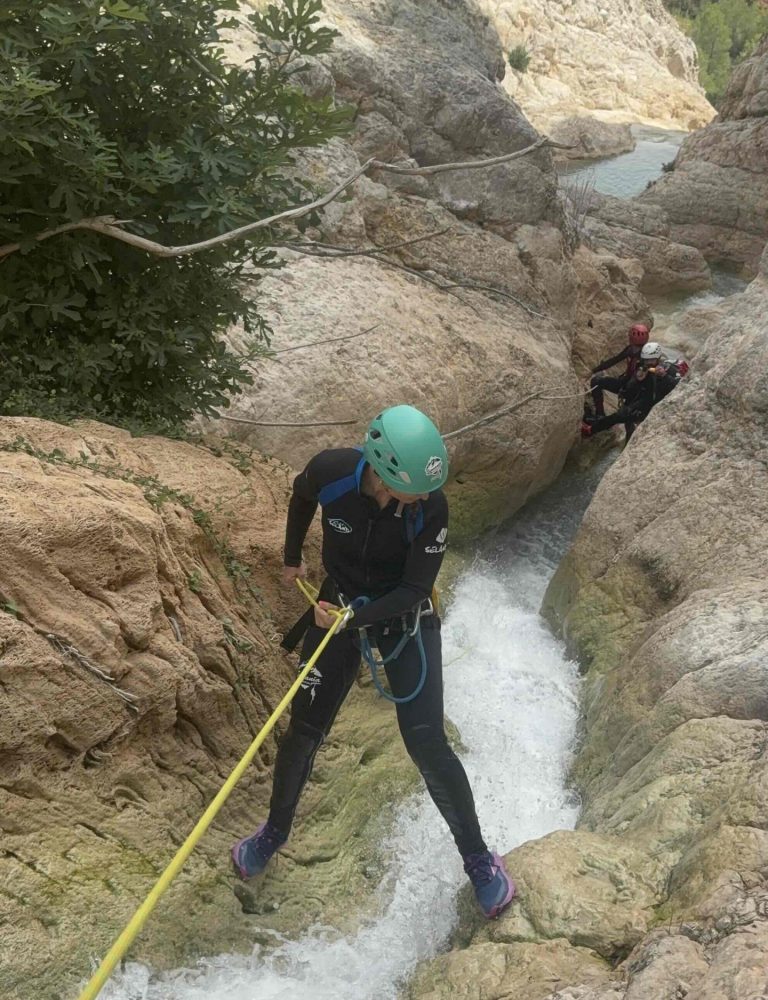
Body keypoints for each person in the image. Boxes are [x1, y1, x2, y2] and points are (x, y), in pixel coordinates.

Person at [231, 404, 516, 919]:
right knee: (303, 729)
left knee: (427, 742)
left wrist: (347, 621)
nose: (428, 495)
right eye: (418, 486)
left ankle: (478, 860)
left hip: (401, 618)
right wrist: (292, 554)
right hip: (339, 607)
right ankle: (272, 834)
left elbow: (412, 589)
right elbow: (301, 495)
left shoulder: (431, 510)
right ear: (384, 474)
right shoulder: (332, 472)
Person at [581, 342, 682, 442]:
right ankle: (593, 427)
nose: (649, 363)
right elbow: (631, 387)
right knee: (620, 416)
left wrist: (664, 376)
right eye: (646, 360)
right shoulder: (642, 367)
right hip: (640, 399)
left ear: (658, 358)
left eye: (652, 360)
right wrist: (638, 378)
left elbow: (679, 386)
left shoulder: (669, 370)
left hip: (653, 404)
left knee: (620, 417)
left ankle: (592, 430)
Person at [587, 323, 650, 419]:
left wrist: (594, 370)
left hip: (632, 389)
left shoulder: (639, 354)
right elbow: (614, 360)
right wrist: (594, 370)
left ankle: (600, 415)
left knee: (596, 381)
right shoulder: (632, 350)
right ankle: (600, 415)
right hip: (627, 385)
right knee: (597, 381)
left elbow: (615, 361)